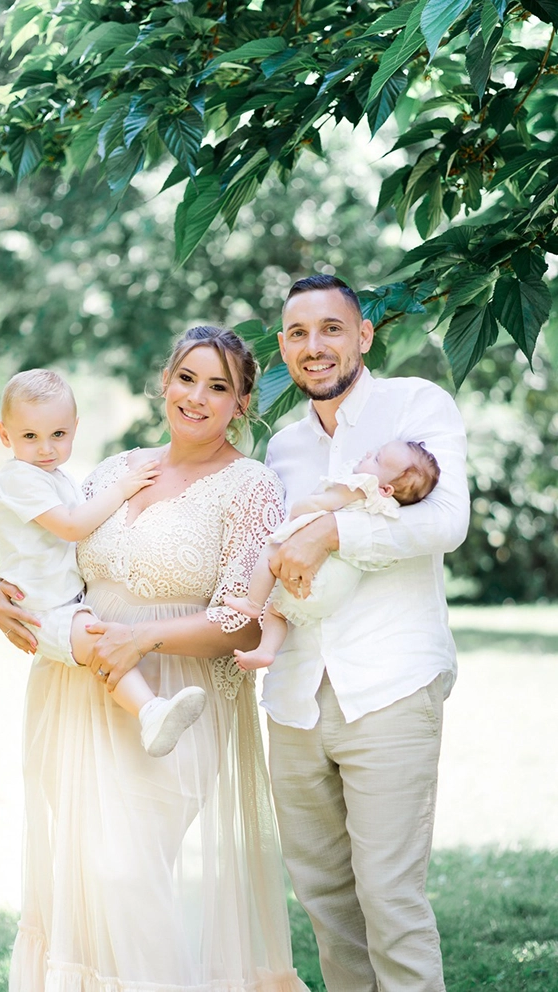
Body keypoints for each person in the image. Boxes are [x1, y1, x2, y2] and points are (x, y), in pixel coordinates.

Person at [0, 327, 308, 992]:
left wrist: (143, 639)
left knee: (123, 871)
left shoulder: (250, 487)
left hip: (181, 701)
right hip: (75, 691)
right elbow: (50, 556)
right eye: (187, 377)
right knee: (80, 882)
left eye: (218, 386)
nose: (196, 396)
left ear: (241, 404)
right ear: (165, 382)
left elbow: (239, 621)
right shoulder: (114, 470)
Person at [262, 275, 470, 992]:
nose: (313, 346)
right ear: (283, 346)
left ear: (362, 336)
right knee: (324, 901)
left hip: (389, 685)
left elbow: (446, 523)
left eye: (329, 329)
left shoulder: (416, 405)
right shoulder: (281, 448)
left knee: (389, 898)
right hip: (292, 695)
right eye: (296, 333)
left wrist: (332, 530)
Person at [0, 368, 207, 757]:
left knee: (100, 644)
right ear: (5, 434)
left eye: (58, 435)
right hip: (42, 608)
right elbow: (73, 527)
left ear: (74, 428)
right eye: (30, 436)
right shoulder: (18, 478)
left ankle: (150, 712)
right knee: (100, 644)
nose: (46, 448)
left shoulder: (56, 476)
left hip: (62, 601)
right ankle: (150, 711)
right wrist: (123, 488)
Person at [225, 439, 440, 670]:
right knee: (278, 611)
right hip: (334, 593)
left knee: (272, 552)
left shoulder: (360, 488)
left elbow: (322, 503)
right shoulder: (389, 508)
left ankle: (252, 602)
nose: (368, 452)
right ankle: (265, 652)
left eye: (376, 458)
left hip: (316, 579)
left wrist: (299, 508)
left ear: (385, 489)